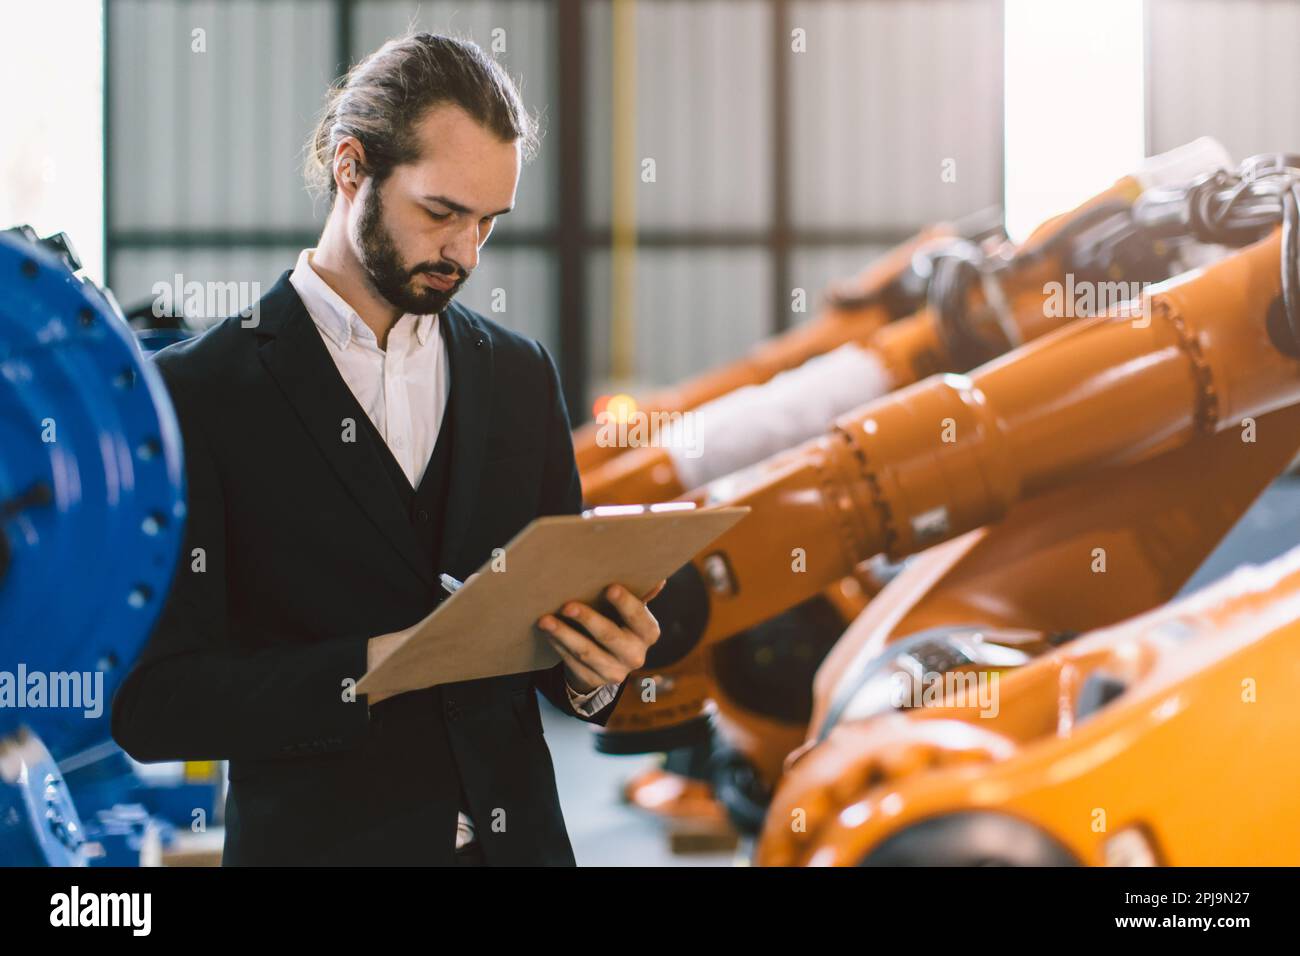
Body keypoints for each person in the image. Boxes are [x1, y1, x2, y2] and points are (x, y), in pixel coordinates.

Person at [111, 32, 663, 866]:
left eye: (488, 223)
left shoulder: (518, 376)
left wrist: (594, 671)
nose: (465, 254)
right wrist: (373, 669)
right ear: (351, 169)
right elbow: (154, 705)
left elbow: (552, 642)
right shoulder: (201, 395)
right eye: (441, 213)